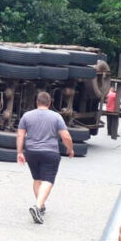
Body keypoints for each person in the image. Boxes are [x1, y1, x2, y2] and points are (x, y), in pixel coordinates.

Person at [16, 91, 74, 224]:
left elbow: (20, 135)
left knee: (37, 179)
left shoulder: (27, 116)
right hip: (50, 153)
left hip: (31, 152)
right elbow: (65, 136)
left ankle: (40, 207)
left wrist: (20, 152)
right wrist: (70, 149)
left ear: (37, 102)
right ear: (50, 103)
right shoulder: (56, 117)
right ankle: (37, 206)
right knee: (48, 180)